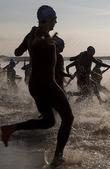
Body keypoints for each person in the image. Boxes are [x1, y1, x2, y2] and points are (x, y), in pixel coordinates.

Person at [1, 5, 74, 165]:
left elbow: (18, 52)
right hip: (47, 84)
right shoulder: (40, 35)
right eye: (54, 18)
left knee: (48, 122)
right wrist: (42, 41)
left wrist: (34, 42)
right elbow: (36, 42)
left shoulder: (31, 33)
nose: (56, 21)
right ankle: (58, 157)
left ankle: (10, 129)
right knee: (68, 118)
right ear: (47, 19)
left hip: (35, 85)